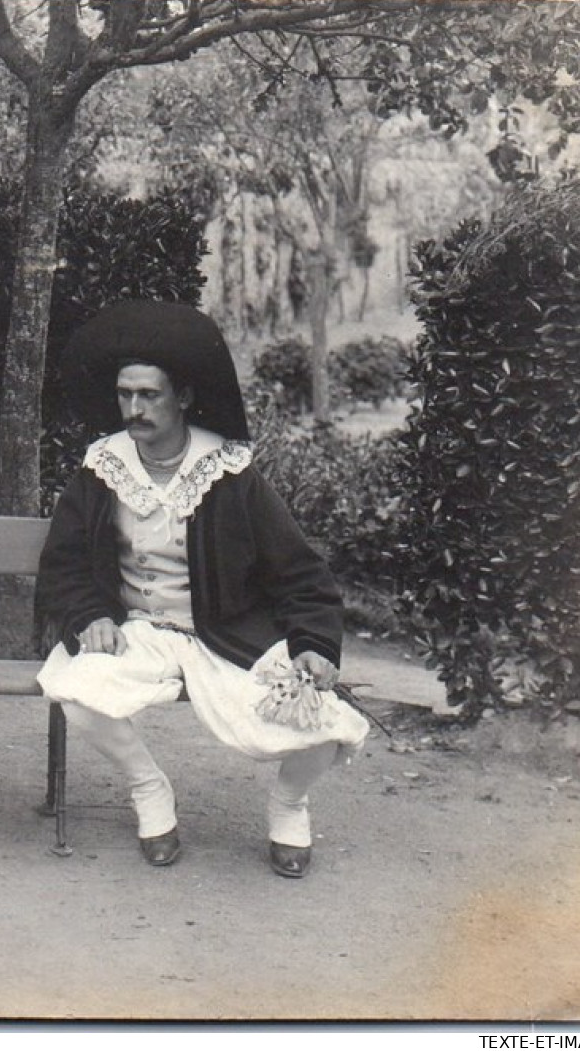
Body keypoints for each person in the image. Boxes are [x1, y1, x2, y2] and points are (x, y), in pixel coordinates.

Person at [34, 299, 368, 878]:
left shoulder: (229, 473)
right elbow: (64, 564)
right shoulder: (101, 468)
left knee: (326, 725)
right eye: (125, 395)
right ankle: (149, 790)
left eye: (149, 395)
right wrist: (89, 614)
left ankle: (289, 805)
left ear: (182, 398)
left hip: (225, 633)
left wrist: (314, 642)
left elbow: (299, 571)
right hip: (138, 630)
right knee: (73, 687)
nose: (133, 410)